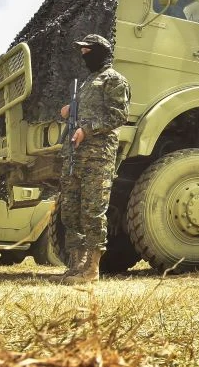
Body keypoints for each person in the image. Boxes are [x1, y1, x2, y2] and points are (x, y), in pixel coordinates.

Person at [58, 33, 131, 283]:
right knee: (70, 210)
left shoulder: (114, 80)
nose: (83, 54)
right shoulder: (87, 81)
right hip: (74, 157)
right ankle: (76, 265)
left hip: (98, 156)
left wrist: (86, 129)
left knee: (92, 210)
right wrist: (69, 111)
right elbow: (81, 113)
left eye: (87, 50)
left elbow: (118, 115)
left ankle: (91, 269)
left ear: (100, 51)